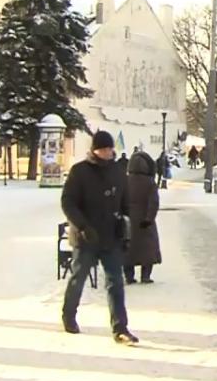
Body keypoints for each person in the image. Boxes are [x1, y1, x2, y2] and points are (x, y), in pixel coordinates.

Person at [60, 131, 138, 345]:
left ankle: (120, 328)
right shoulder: (80, 172)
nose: (106, 152)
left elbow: (126, 203)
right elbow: (68, 202)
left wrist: (126, 229)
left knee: (115, 282)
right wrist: (82, 226)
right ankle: (69, 315)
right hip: (86, 237)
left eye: (109, 149)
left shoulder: (118, 172)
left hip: (111, 236)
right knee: (78, 278)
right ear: (94, 150)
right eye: (102, 149)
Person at [124, 151, 162, 284]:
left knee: (128, 248)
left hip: (128, 220)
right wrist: (149, 218)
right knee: (147, 248)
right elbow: (154, 202)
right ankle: (145, 275)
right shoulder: (149, 182)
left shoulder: (125, 181)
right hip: (144, 219)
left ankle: (129, 276)